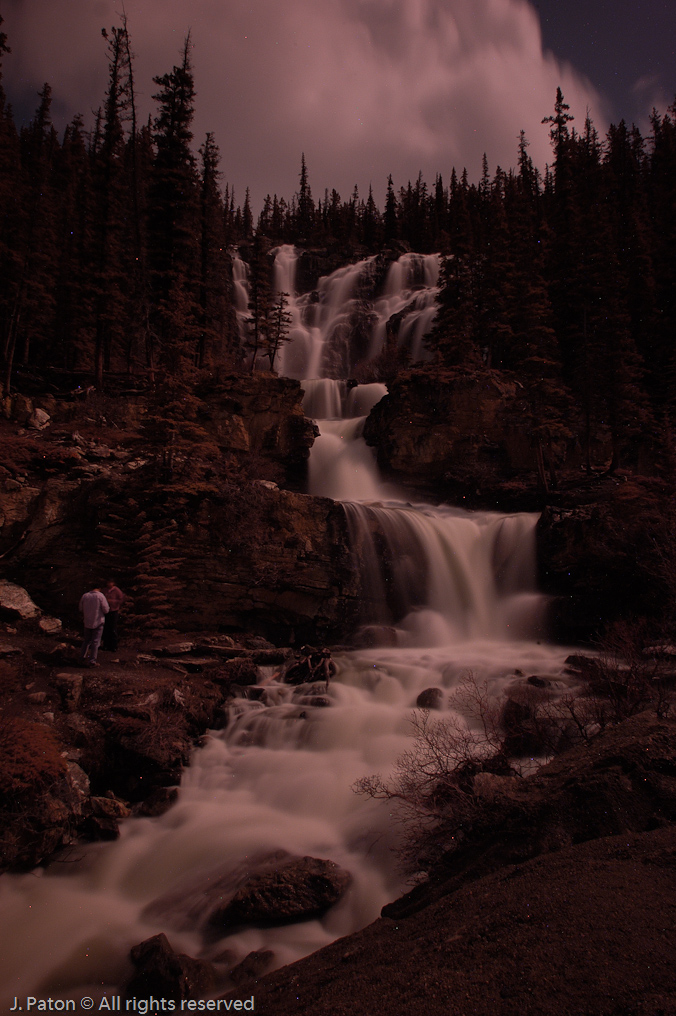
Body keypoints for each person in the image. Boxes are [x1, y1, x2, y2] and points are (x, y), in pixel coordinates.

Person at [79, 585, 109, 666]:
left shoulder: (85, 596)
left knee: (86, 641)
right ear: (99, 588)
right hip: (98, 621)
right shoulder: (100, 596)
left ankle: (82, 657)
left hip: (87, 621)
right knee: (95, 641)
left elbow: (80, 608)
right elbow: (106, 610)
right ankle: (92, 660)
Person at [102, 579, 125, 652]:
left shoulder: (117, 590)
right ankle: (106, 644)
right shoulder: (104, 590)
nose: (109, 584)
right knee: (106, 628)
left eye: (110, 582)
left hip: (114, 610)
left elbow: (121, 600)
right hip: (106, 611)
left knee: (113, 628)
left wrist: (112, 601)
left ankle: (114, 645)